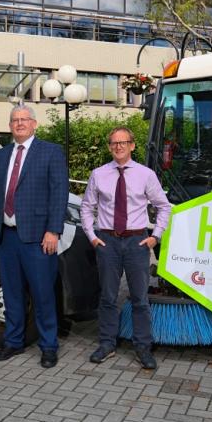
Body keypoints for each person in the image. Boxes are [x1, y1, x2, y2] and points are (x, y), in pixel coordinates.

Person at [0, 104, 68, 368]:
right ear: (10, 126)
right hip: (7, 237)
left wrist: (53, 230)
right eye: (15, 120)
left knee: (43, 294)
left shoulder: (51, 152)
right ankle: (13, 342)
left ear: (34, 124)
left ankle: (48, 346)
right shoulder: (1, 155)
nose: (19, 123)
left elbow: (59, 193)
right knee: (11, 293)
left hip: (38, 237)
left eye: (24, 119)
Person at [80, 126, 171, 369]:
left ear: (132, 145)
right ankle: (107, 343)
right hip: (107, 242)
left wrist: (155, 236)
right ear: (110, 147)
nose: (118, 146)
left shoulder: (146, 174)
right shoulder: (99, 174)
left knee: (140, 298)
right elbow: (87, 207)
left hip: (136, 242)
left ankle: (143, 346)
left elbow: (164, 206)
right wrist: (92, 235)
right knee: (108, 297)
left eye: (123, 142)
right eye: (114, 143)